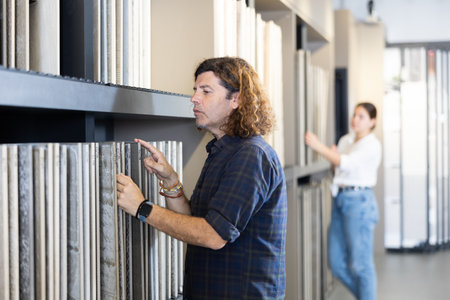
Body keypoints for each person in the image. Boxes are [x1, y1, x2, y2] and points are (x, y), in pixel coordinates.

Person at [116, 57, 287, 299]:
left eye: (206, 91)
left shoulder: (250, 156)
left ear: (236, 99)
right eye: (195, 90)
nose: (194, 98)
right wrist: (170, 180)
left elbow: (213, 235)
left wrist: (142, 208)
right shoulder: (222, 151)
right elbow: (192, 221)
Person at [305, 102, 381, 300]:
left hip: (360, 203)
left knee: (361, 264)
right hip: (340, 199)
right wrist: (332, 158)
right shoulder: (346, 140)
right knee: (336, 263)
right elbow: (337, 169)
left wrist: (318, 146)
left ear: (372, 122)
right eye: (354, 115)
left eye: (361, 116)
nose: (355, 119)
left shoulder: (372, 145)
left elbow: (345, 162)